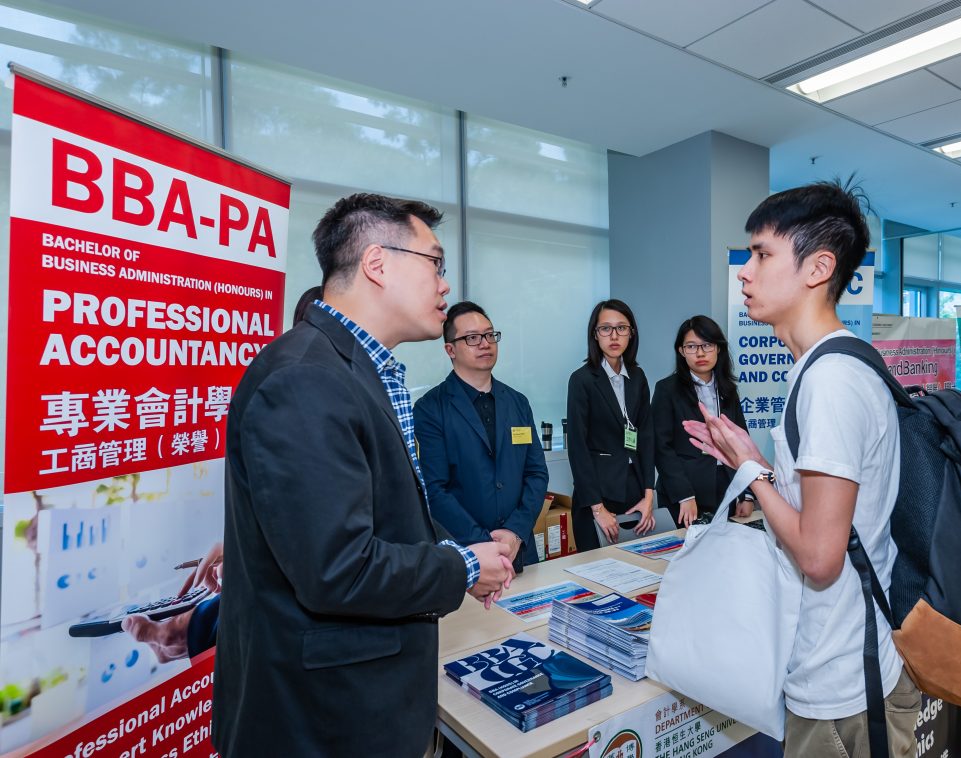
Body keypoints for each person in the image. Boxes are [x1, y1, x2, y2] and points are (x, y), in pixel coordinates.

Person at [213, 193, 515, 757]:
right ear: (378, 264)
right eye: (435, 264)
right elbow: (338, 567)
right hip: (323, 721)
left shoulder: (352, 370)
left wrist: (454, 562)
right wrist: (463, 562)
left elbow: (384, 520)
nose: (445, 286)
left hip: (364, 703)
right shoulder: (305, 379)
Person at [684, 181, 919, 757]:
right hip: (844, 664)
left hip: (844, 685)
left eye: (762, 254)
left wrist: (753, 473)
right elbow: (832, 510)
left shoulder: (831, 382)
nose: (745, 271)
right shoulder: (837, 365)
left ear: (818, 267)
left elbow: (819, 555)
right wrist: (754, 462)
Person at [414, 301, 550, 572]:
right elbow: (434, 489)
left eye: (490, 335)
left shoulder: (518, 403)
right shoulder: (430, 409)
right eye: (472, 338)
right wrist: (485, 543)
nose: (485, 343)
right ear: (450, 349)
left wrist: (514, 532)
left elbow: (536, 474)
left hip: (519, 552)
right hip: (465, 555)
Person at [566, 299, 654, 552]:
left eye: (621, 328)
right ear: (595, 334)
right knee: (599, 575)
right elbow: (578, 448)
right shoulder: (582, 380)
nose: (614, 336)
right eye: (605, 328)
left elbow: (646, 438)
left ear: (631, 333)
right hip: (597, 494)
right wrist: (598, 508)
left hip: (635, 492)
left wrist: (649, 496)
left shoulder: (637, 377)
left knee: (638, 571)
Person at [651, 315, 754, 527]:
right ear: (681, 351)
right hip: (684, 492)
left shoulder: (728, 390)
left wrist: (748, 493)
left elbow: (743, 443)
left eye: (707, 345)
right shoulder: (667, 389)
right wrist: (684, 495)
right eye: (691, 346)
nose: (700, 353)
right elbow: (661, 448)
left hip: (726, 488)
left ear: (718, 348)